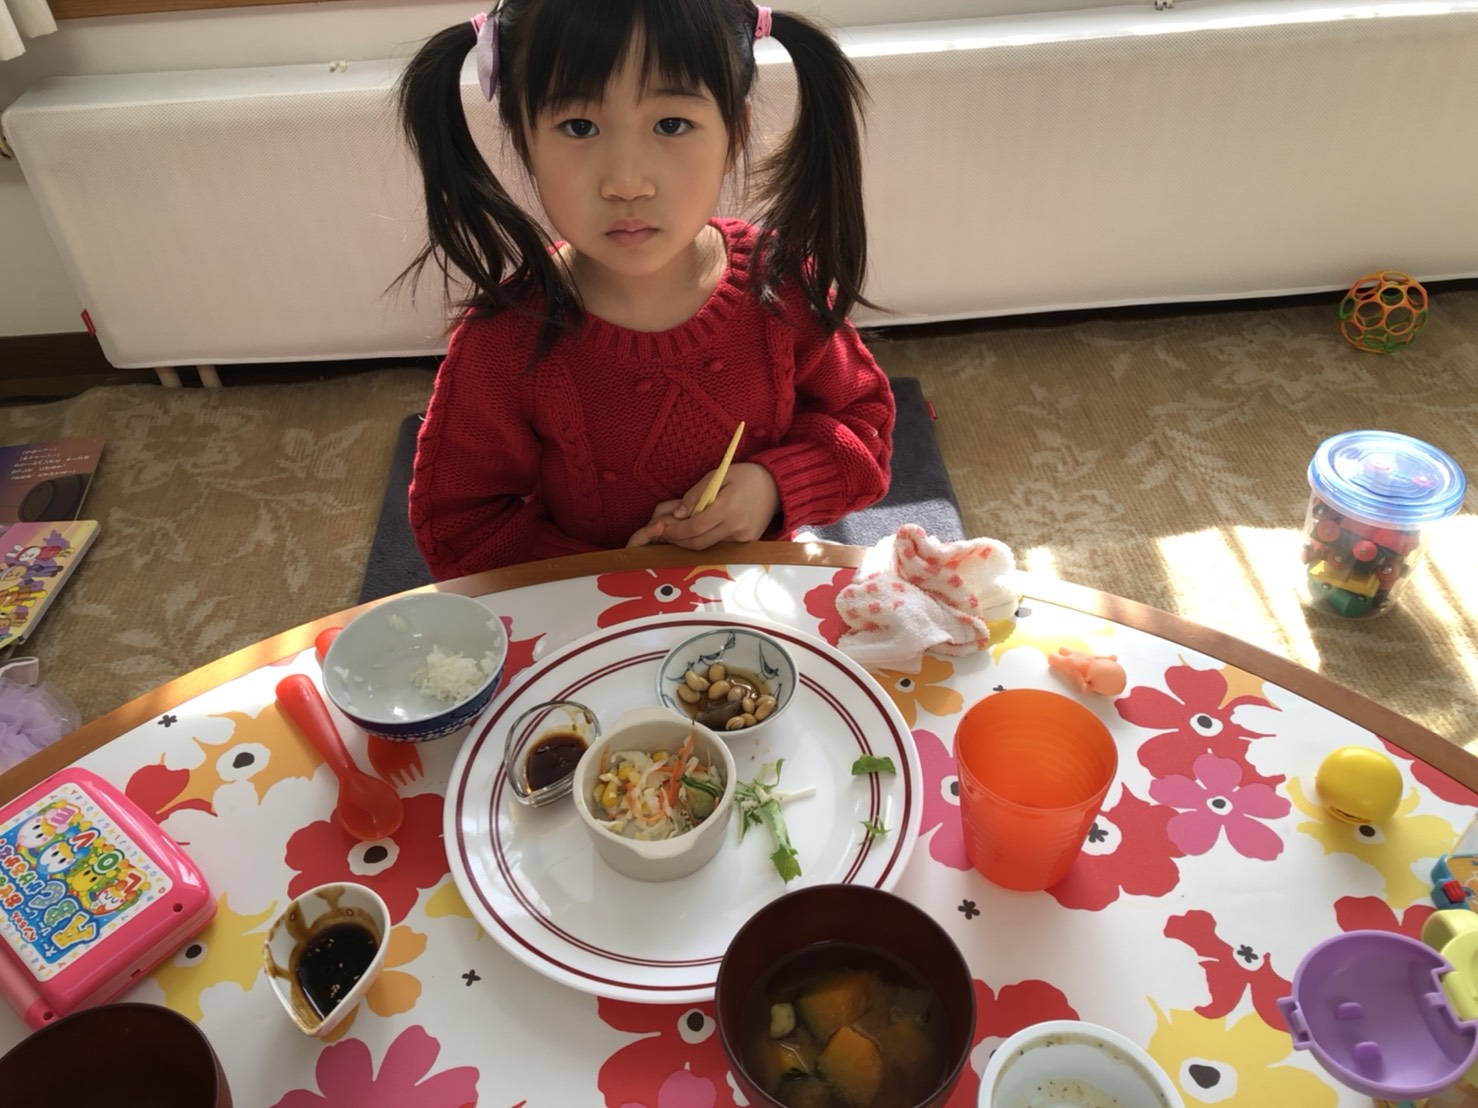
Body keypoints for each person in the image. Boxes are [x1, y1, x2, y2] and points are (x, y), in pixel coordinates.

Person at [398, 0, 895, 578]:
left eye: (671, 124)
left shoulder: (779, 285)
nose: (626, 182)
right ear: (524, 141)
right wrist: (601, 576)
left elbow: (864, 428)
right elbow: (461, 527)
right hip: (585, 617)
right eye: (579, 126)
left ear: (735, 133)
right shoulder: (503, 342)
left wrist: (772, 486)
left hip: (756, 598)